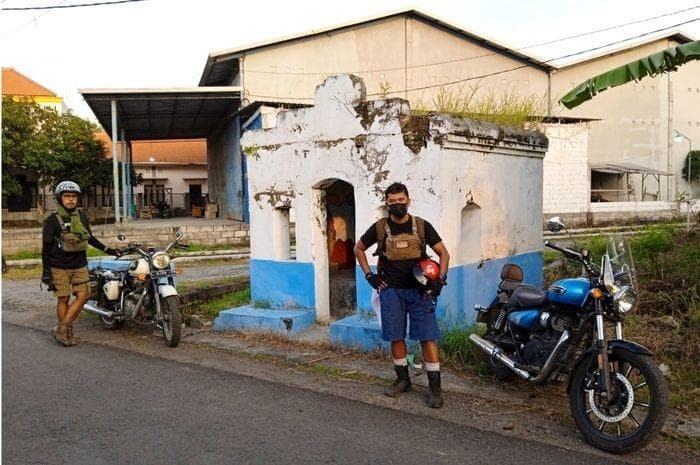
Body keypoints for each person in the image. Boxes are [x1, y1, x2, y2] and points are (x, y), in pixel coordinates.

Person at [355, 182, 450, 408]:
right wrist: (370, 276)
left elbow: (443, 253)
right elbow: (358, 248)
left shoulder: (422, 226)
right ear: (386, 203)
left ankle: (435, 389)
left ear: (408, 201)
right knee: (396, 336)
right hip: (391, 291)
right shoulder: (379, 228)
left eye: (401, 200)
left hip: (420, 291)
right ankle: (403, 379)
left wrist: (441, 279)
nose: (397, 205)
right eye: (392, 201)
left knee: (428, 337)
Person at [41, 181, 119, 346]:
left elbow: (89, 238)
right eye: (67, 196)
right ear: (60, 198)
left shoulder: (81, 217)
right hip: (58, 265)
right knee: (63, 298)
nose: (70, 199)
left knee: (84, 295)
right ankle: (66, 333)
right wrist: (46, 271)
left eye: (74, 196)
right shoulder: (52, 220)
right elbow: (46, 247)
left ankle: (62, 328)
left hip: (79, 264)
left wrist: (108, 250)